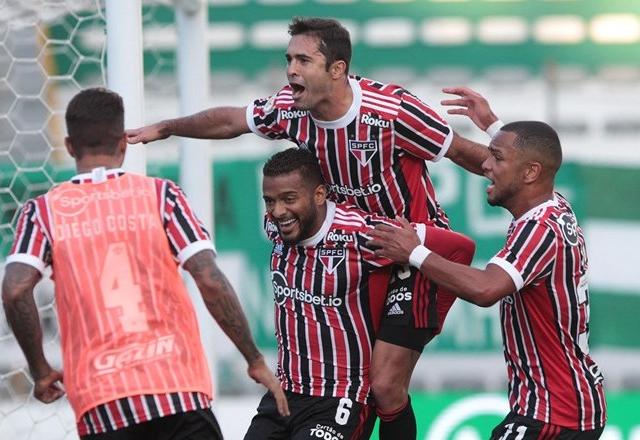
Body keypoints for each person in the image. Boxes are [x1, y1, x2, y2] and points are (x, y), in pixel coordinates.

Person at [127, 17, 495, 437]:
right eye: (288, 59)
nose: (291, 70)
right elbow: (232, 120)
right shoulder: (289, 108)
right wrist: (169, 127)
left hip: (407, 250)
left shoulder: (392, 111)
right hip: (350, 248)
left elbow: (467, 153)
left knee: (386, 384)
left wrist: (526, 188)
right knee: (349, 373)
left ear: (337, 69)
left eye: (303, 60)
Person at [1, 88, 289, 440]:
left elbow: (15, 290)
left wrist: (40, 369)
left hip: (103, 404)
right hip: (178, 392)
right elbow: (209, 279)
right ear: (123, 143)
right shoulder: (162, 196)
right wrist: (254, 358)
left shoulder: (42, 212)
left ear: (70, 146)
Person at [367, 120, 607, 439]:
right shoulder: (555, 206)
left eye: (497, 157)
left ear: (530, 173)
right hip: (564, 406)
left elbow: (485, 289)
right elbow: (534, 153)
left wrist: (415, 252)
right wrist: (493, 124)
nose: (486, 164)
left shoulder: (540, 229)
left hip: (555, 414)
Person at [244, 148, 474, 439]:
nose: (277, 211)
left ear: (318, 195)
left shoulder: (363, 233)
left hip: (339, 399)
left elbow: (460, 249)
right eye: (269, 201)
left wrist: (423, 328)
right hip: (283, 394)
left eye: (289, 199)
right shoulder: (276, 227)